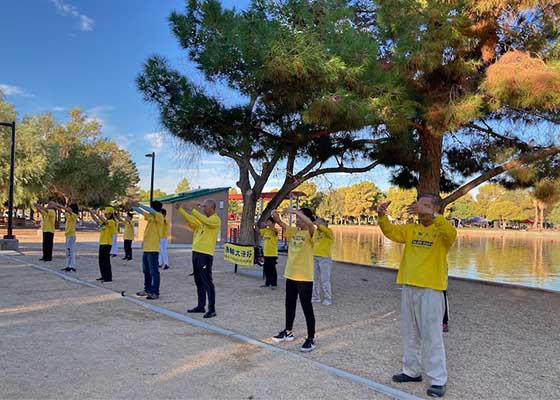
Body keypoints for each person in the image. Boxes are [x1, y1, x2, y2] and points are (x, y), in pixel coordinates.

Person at [376, 194, 457, 398]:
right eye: (419, 205)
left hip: (431, 289)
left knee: (432, 336)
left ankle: (438, 380)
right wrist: (381, 216)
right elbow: (391, 232)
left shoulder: (442, 233)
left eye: (426, 206)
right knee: (410, 332)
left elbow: (451, 233)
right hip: (409, 286)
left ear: (436, 209)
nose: (420, 209)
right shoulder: (411, 230)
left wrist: (434, 216)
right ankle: (411, 371)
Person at [271, 207, 317, 353]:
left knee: (306, 307)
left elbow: (311, 225)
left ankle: (311, 338)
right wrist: (275, 215)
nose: (297, 220)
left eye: (300, 218)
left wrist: (296, 212)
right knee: (289, 304)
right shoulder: (293, 232)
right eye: (296, 218)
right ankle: (288, 331)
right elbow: (280, 223)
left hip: (304, 276)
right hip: (291, 274)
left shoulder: (311, 233)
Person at [175, 199, 221, 318]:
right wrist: (180, 209)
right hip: (196, 252)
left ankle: (212, 309)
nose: (203, 209)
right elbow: (191, 219)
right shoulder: (202, 221)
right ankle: (201, 306)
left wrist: (194, 211)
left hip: (205, 254)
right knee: (198, 280)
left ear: (211, 207)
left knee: (207, 281)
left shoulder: (215, 219)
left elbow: (205, 221)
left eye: (204, 206)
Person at [132, 201, 164, 300]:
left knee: (154, 271)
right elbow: (141, 212)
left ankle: (155, 292)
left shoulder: (159, 216)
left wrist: (141, 205)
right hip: (146, 249)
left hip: (153, 249)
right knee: (146, 271)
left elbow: (151, 211)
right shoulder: (151, 217)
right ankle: (147, 289)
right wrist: (132, 206)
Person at [90, 207, 117, 282]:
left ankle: (108, 277)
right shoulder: (104, 221)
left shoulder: (112, 222)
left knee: (106, 261)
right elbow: (96, 220)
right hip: (102, 243)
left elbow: (105, 221)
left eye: (106, 214)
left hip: (107, 243)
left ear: (111, 214)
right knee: (101, 261)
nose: (105, 215)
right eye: (104, 214)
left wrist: (97, 214)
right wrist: (91, 213)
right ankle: (103, 275)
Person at [312, 217, 334, 305]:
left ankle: (328, 298)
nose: (318, 224)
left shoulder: (329, 232)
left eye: (320, 223)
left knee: (325, 279)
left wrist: (318, 224)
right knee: (314, 279)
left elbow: (323, 229)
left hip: (324, 258)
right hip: (314, 256)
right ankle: (315, 297)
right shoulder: (316, 232)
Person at [52, 202, 79, 272]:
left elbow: (65, 209)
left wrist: (57, 204)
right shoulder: (68, 215)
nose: (68, 208)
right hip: (67, 235)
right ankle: (67, 265)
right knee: (67, 251)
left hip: (71, 235)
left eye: (69, 207)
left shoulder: (74, 215)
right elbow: (62, 211)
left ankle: (72, 266)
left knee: (71, 251)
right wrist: (55, 207)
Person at [254, 217, 278, 288]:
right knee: (266, 268)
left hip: (272, 253)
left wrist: (268, 225)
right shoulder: (266, 231)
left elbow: (275, 231)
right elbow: (258, 231)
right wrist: (256, 225)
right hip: (266, 253)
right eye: (267, 221)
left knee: (272, 269)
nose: (267, 222)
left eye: (269, 221)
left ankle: (274, 284)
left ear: (273, 223)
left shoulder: (274, 230)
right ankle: (267, 283)